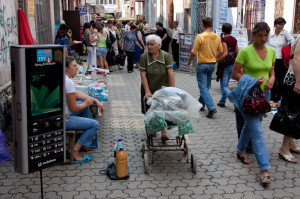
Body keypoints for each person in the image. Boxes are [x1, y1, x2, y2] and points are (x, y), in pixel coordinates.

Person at [230, 22, 276, 186]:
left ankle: (240, 150)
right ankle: (264, 169)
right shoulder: (245, 51)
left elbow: (271, 70)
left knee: (250, 125)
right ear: (254, 35)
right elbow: (235, 74)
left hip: (264, 96)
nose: (263, 39)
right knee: (257, 131)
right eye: (260, 35)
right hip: (248, 96)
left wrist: (271, 80)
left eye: (266, 35)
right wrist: (253, 81)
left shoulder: (271, 51)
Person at [65, 56, 104, 163]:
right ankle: (74, 150)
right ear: (66, 69)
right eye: (74, 66)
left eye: (76, 65)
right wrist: (87, 103)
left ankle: (86, 142)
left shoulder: (65, 79)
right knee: (95, 125)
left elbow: (77, 94)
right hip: (64, 119)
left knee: (85, 106)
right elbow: (73, 107)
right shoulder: (68, 82)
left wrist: (95, 100)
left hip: (61, 115)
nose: (77, 67)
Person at [139, 34, 175, 141]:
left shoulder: (166, 56)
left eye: (152, 44)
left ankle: (164, 131)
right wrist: (147, 91)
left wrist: (172, 90)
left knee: (163, 108)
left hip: (163, 86)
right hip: (149, 86)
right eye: (148, 44)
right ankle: (152, 129)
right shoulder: (144, 57)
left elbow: (171, 74)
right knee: (150, 109)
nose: (149, 47)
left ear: (159, 45)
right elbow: (143, 75)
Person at [186, 17, 223, 118]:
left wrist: (189, 62)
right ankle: (201, 105)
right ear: (212, 25)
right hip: (212, 65)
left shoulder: (200, 37)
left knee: (202, 87)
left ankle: (211, 107)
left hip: (202, 64)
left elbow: (193, 52)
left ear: (202, 25)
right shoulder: (217, 37)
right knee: (205, 86)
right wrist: (215, 59)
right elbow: (221, 51)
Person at [276, 36, 300, 163]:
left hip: (295, 80)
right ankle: (284, 148)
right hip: (294, 81)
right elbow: (296, 59)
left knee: (294, 113)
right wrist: (298, 82)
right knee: (291, 114)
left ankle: (291, 143)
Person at [267, 17, 295, 103]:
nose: (281, 27)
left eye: (282, 25)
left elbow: (293, 41)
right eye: (279, 24)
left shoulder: (285, 33)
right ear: (275, 25)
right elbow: (266, 44)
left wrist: (287, 50)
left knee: (281, 78)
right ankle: (271, 96)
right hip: (272, 59)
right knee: (272, 78)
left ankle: (278, 97)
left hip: (282, 59)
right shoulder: (270, 34)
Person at [215, 23, 239, 107]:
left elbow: (224, 54)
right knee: (226, 84)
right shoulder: (234, 39)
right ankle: (222, 102)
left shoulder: (223, 40)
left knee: (224, 86)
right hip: (232, 64)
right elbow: (237, 52)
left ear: (223, 30)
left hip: (225, 65)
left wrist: (216, 60)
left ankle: (235, 100)